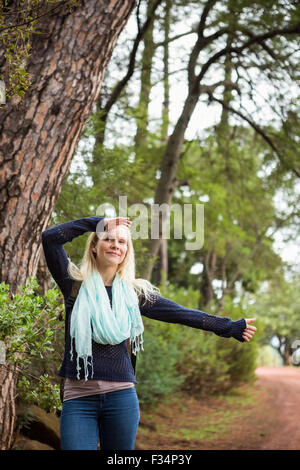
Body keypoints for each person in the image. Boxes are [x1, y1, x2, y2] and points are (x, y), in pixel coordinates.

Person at [41, 215, 256, 450]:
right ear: (94, 246)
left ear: (127, 251)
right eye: (108, 239)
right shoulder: (74, 285)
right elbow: (50, 239)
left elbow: (181, 314)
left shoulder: (134, 294)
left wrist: (230, 327)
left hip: (121, 398)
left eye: (122, 242)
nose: (115, 245)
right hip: (79, 399)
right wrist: (99, 222)